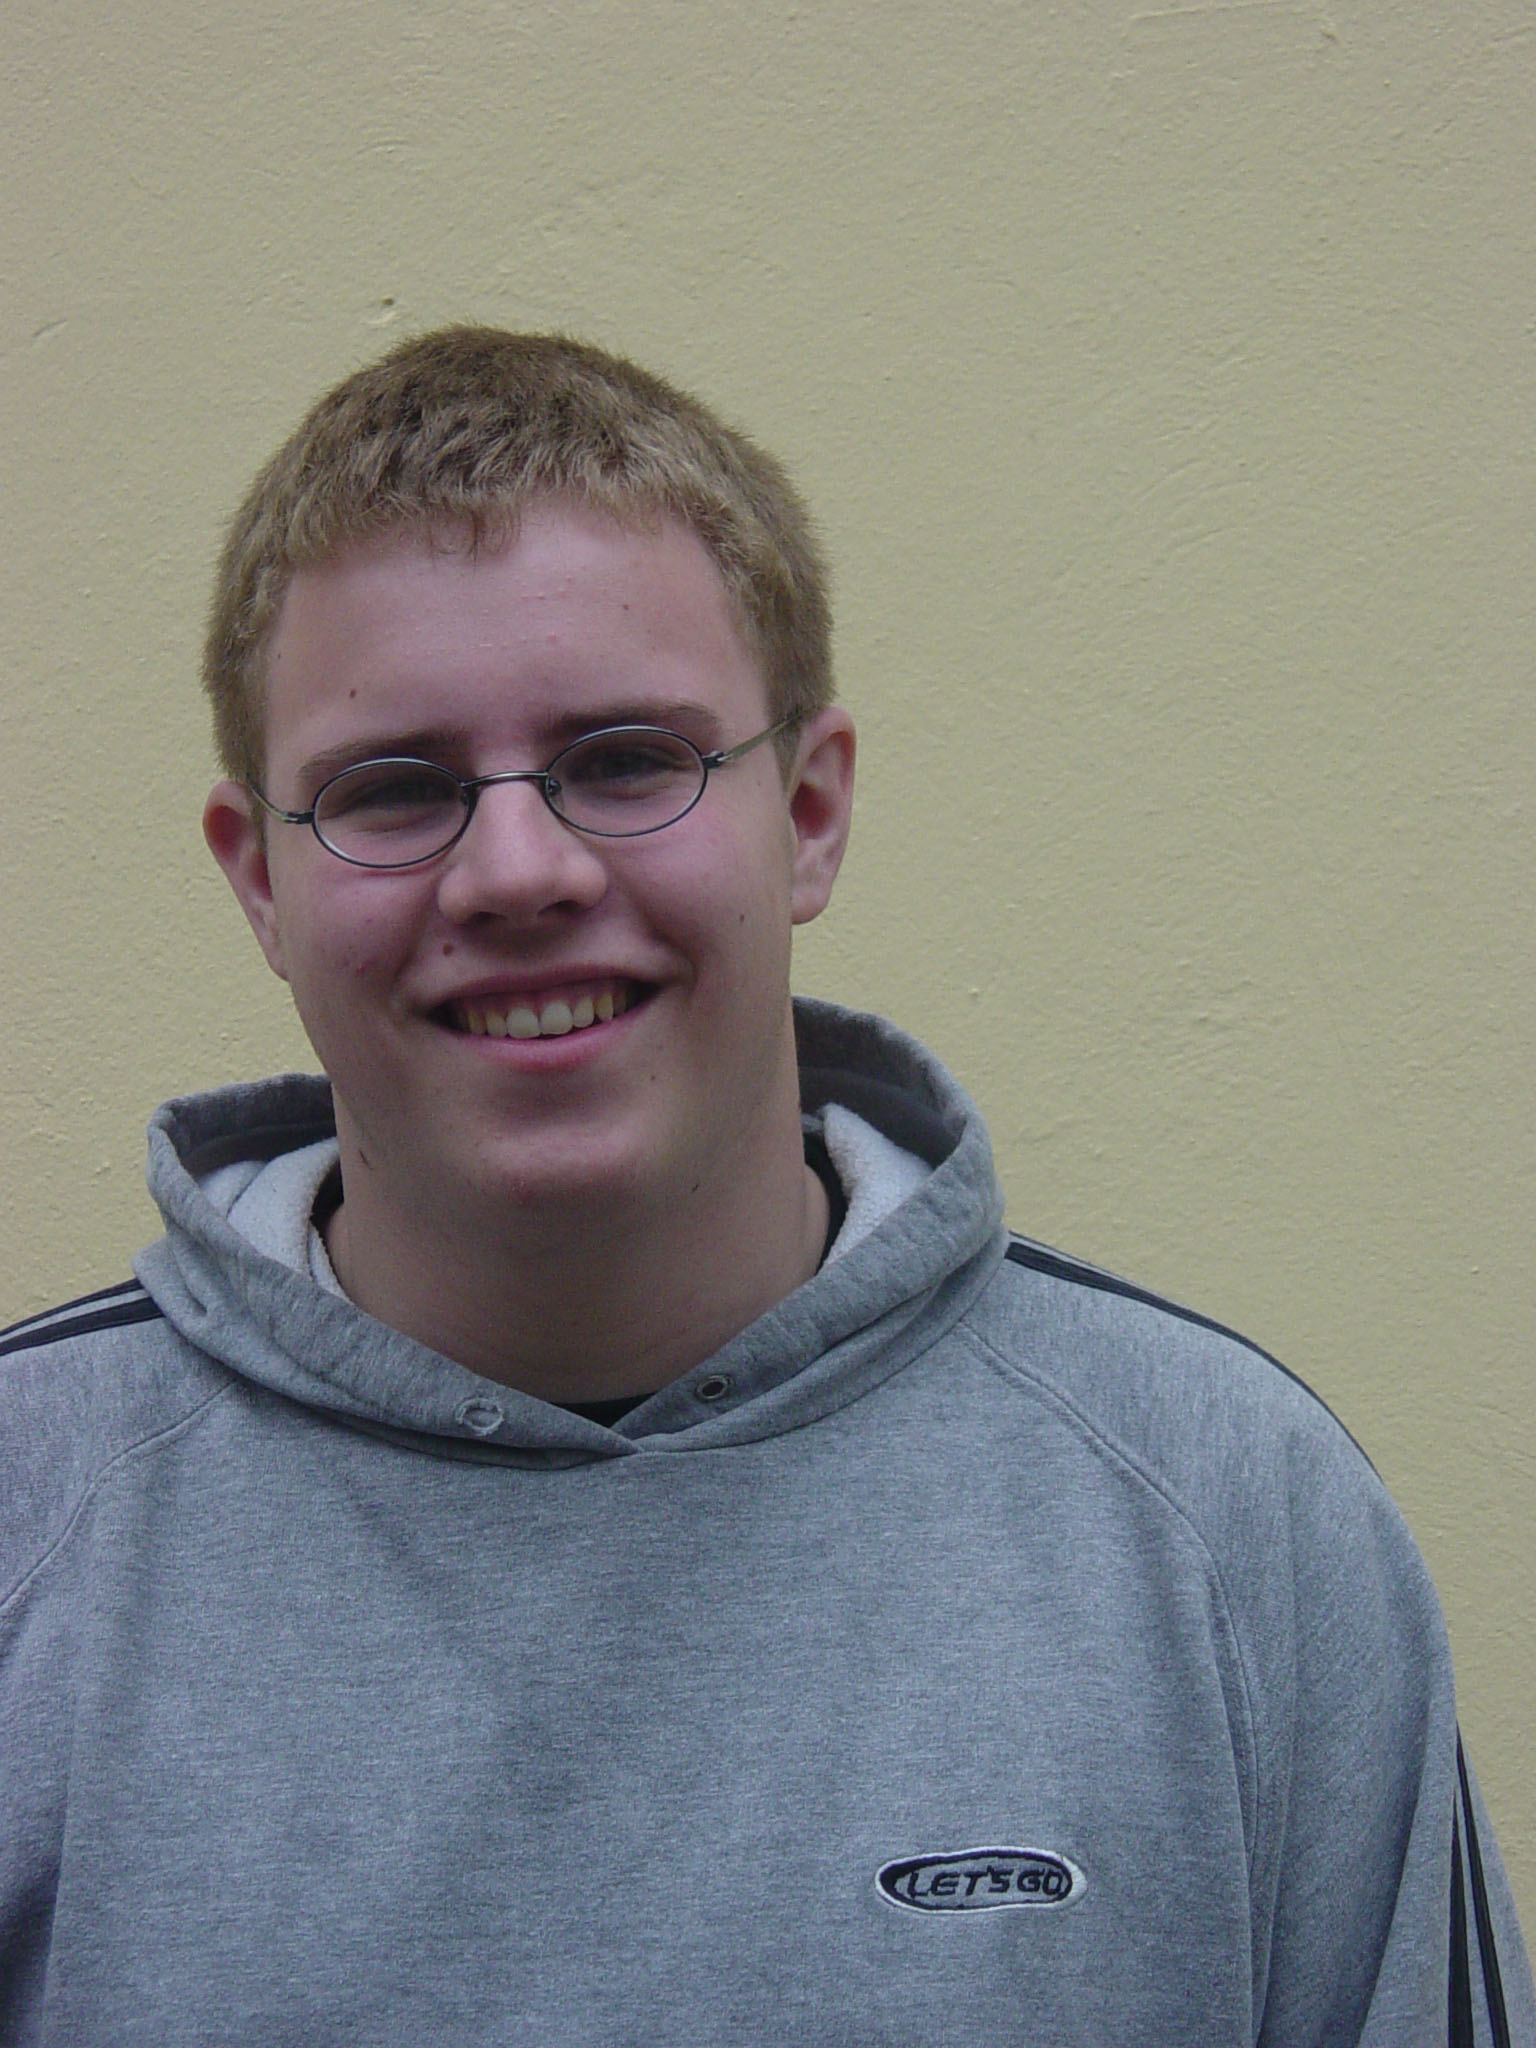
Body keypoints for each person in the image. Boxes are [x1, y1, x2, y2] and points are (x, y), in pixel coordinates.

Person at [1, 326, 1529, 2048]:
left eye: (626, 760)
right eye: (396, 789)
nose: (518, 872)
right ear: (257, 880)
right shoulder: (26, 1512)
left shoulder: (1239, 1523)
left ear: (808, 812)